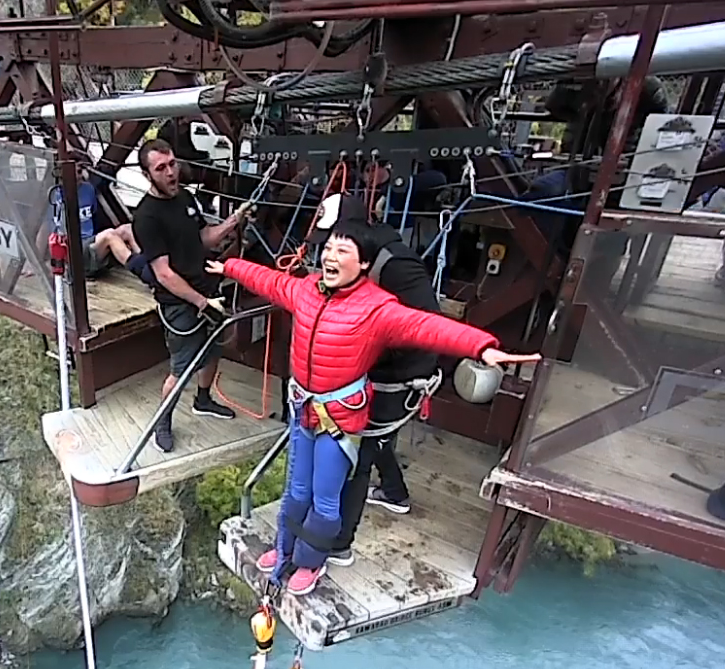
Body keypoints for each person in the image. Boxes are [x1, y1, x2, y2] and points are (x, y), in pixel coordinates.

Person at [206, 219, 540, 596]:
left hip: (338, 419)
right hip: (303, 410)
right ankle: (285, 549)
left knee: (325, 499)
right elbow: (270, 281)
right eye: (328, 248)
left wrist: (481, 347)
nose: (330, 256)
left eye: (342, 250)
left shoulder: (378, 309)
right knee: (297, 490)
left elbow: (428, 327)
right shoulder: (306, 290)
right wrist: (230, 267)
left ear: (364, 263)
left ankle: (311, 561)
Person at [313, 194, 442, 568]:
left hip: (398, 376)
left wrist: (367, 346)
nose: (329, 253)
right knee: (371, 441)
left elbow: (426, 326)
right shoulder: (365, 260)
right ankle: (395, 493)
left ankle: (340, 544)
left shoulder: (396, 266)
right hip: (378, 368)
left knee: (359, 454)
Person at [132, 138, 246, 453]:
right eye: (161, 168)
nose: (171, 172)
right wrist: (200, 302)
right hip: (181, 304)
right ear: (147, 175)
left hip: (206, 290)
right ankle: (162, 422)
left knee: (213, 349)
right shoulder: (146, 217)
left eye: (172, 164)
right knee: (182, 366)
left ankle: (203, 399)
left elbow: (202, 238)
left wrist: (232, 222)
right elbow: (164, 273)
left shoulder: (184, 197)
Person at [48, 153, 141, 279]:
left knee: (127, 229)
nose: (79, 175)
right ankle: (139, 269)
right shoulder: (55, 194)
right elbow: (47, 227)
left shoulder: (88, 189)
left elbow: (94, 213)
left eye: (80, 171)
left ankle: (147, 265)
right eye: (76, 171)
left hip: (90, 242)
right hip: (73, 250)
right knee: (109, 236)